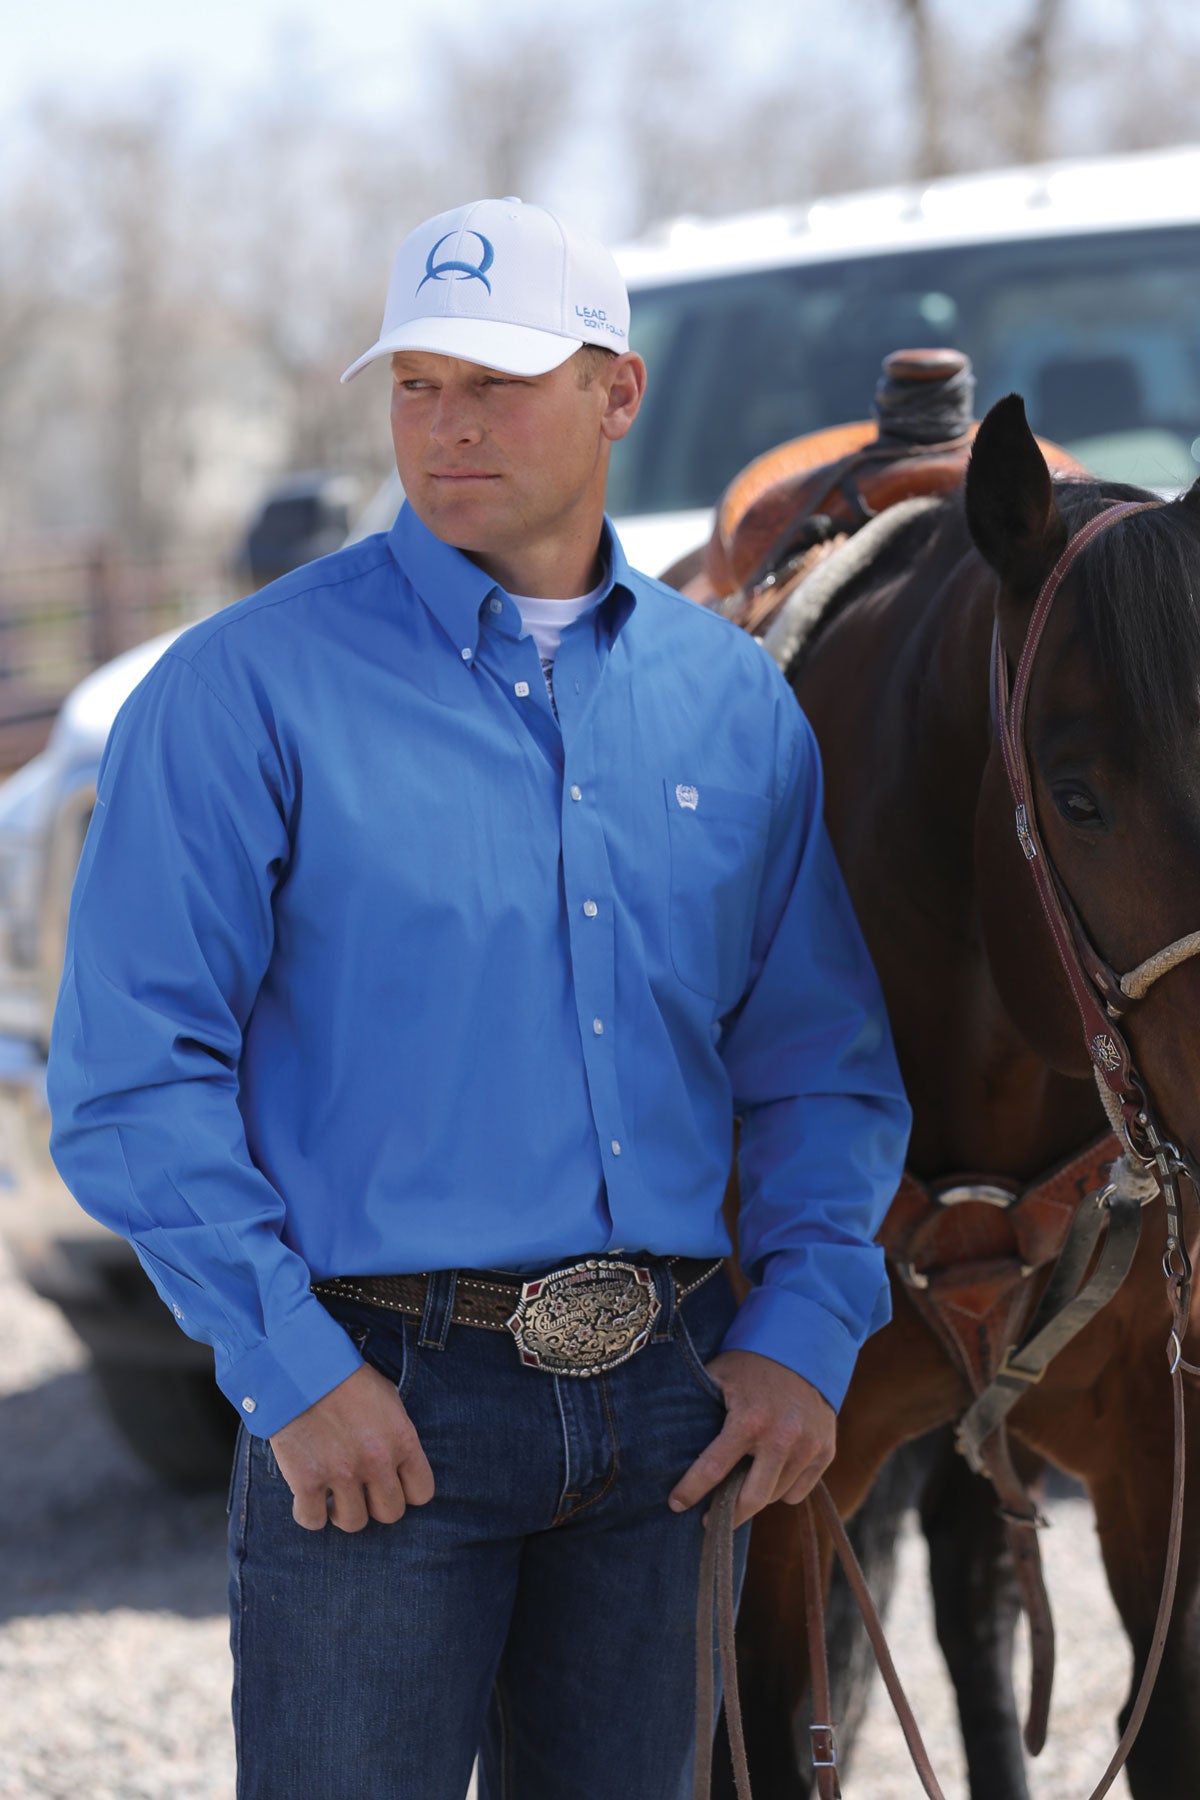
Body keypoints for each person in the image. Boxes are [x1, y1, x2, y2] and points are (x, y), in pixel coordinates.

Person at [47, 197, 910, 1800]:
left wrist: (804, 1329)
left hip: (672, 1408)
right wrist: (293, 1371)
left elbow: (818, 1063)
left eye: (498, 383)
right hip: (378, 1415)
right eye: (418, 384)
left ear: (617, 394)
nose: (447, 427)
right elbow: (131, 1075)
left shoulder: (734, 705)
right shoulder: (242, 689)